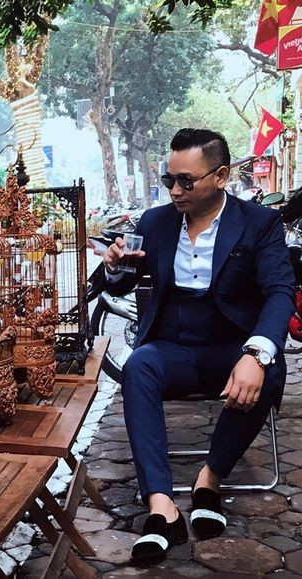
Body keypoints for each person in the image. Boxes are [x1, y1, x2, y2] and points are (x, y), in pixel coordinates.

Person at [103, 128, 295, 565]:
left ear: (221, 176)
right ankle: (162, 508)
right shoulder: (155, 222)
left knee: (270, 369)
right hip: (174, 347)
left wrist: (256, 353)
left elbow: (280, 291)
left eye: (186, 181)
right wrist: (116, 267)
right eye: (169, 179)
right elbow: (123, 281)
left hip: (231, 344)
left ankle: (209, 480)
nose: (174, 190)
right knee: (138, 366)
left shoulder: (258, 223)